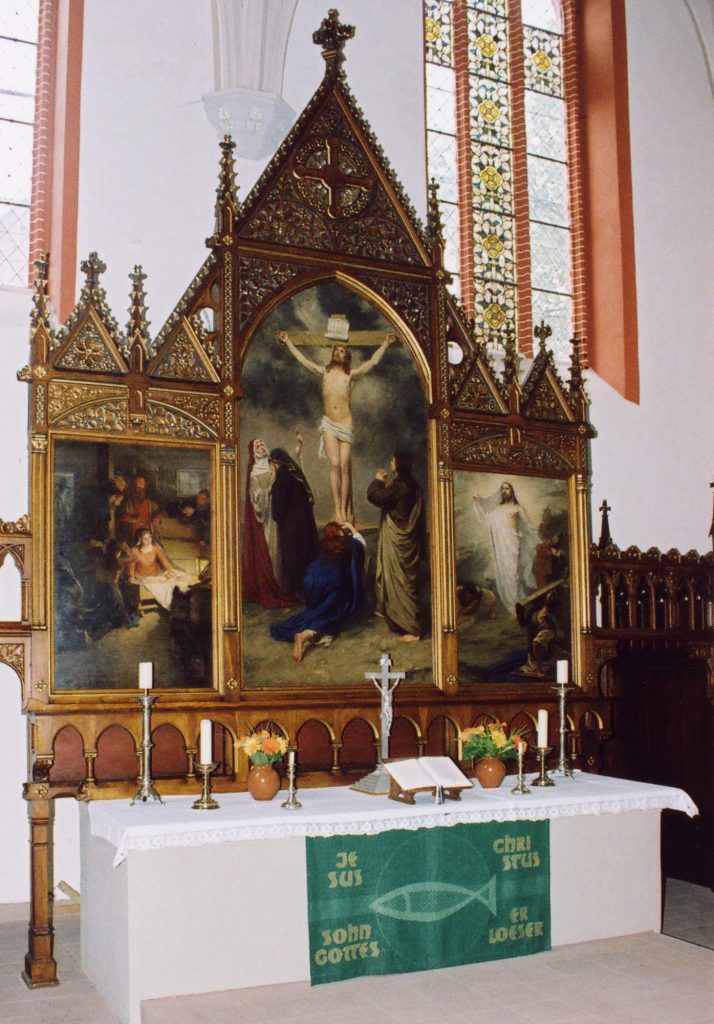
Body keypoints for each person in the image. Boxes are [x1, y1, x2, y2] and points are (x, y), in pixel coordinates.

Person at [276, 328, 398, 523]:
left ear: (347, 357)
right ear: (332, 354)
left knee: (343, 466)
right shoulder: (325, 372)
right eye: (337, 350)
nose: (339, 353)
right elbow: (304, 361)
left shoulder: (350, 376)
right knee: (334, 465)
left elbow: (372, 363)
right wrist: (288, 340)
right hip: (330, 424)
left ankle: (343, 508)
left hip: (345, 423)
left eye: (343, 351)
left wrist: (385, 343)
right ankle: (338, 510)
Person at [270, 521, 366, 662]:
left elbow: (316, 572)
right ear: (340, 532)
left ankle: (304, 635)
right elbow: (362, 544)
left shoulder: (324, 546)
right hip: (337, 594)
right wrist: (351, 527)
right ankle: (305, 635)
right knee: (334, 617)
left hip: (321, 592)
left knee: (316, 614)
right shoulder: (349, 544)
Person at [367, 452, 424, 642]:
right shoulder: (412, 484)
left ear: (399, 463)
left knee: (402, 583)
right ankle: (398, 619)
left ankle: (413, 630)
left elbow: (376, 497)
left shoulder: (400, 486)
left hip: (399, 540)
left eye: (393, 460)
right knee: (403, 581)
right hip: (408, 540)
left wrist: (377, 482)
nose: (391, 462)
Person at [241, 438, 296, 608]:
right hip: (267, 519)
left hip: (281, 514)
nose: (262, 446)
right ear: (254, 452)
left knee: (283, 548)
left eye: (262, 444)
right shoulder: (255, 474)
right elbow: (256, 502)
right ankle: (273, 585)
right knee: (272, 551)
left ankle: (284, 585)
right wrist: (270, 487)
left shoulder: (276, 466)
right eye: (258, 446)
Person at [472, 481, 539, 615]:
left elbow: (528, 524)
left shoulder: (518, 508)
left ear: (512, 491)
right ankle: (513, 604)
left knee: (513, 573)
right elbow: (487, 518)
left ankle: (517, 602)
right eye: (503, 489)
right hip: (502, 545)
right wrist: (478, 503)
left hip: (513, 543)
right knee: (507, 573)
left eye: (507, 489)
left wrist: (535, 528)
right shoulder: (497, 510)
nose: (504, 491)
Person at [269, 447, 319, 599]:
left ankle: (295, 593)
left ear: (275, 463)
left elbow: (280, 503)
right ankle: (308, 590)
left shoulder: (282, 475)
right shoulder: (294, 473)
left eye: (271, 464)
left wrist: (272, 487)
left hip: (291, 526)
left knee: (293, 558)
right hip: (304, 525)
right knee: (305, 556)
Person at [127, 529, 196, 611]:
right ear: (140, 540)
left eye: (149, 537)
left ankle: (184, 601)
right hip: (143, 578)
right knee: (164, 584)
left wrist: (171, 571)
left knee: (177, 578)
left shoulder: (155, 548)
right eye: (145, 539)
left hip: (156, 574)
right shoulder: (135, 551)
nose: (149, 540)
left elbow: (165, 563)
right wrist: (131, 577)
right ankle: (175, 606)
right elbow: (131, 567)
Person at [119, 474, 162, 544]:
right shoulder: (126, 502)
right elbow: (121, 515)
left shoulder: (150, 502)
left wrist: (157, 517)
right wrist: (131, 519)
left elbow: (159, 512)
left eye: (141, 483)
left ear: (145, 486)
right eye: (135, 483)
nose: (138, 486)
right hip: (132, 535)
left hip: (148, 533)